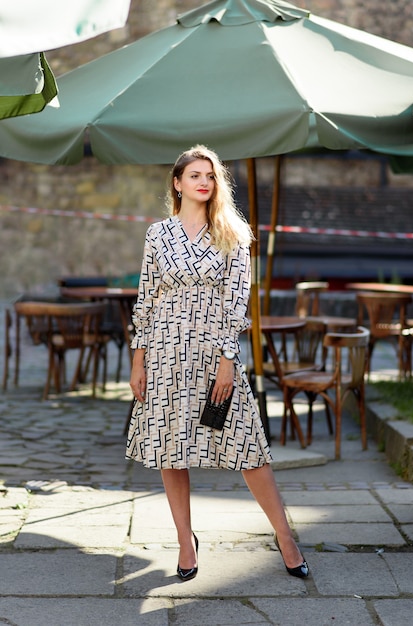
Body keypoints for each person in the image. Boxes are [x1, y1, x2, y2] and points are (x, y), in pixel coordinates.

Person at [126, 145, 309, 582]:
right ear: (177, 183)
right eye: (194, 175)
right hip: (165, 352)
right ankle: (185, 542)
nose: (203, 182)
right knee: (172, 449)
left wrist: (228, 360)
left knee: (248, 446)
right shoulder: (158, 234)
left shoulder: (233, 233)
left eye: (209, 175)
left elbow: (236, 304)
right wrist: (139, 361)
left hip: (214, 353)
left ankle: (285, 536)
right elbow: (146, 300)